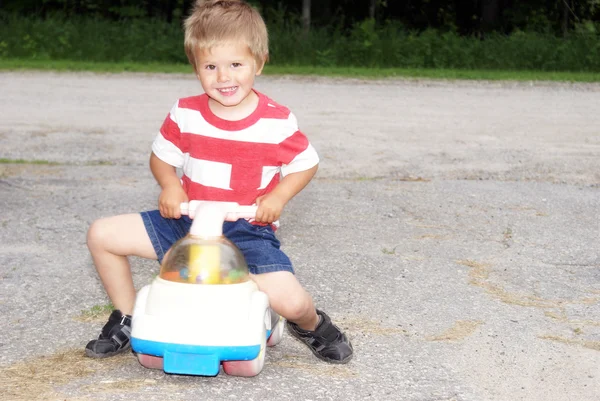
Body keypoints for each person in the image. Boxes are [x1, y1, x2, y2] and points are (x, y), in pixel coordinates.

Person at [85, 0, 353, 364]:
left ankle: (312, 325)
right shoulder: (186, 113)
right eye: (211, 66)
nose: (224, 77)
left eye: (236, 65)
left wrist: (278, 195)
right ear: (196, 68)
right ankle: (128, 316)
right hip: (185, 222)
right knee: (103, 234)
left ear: (258, 62)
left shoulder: (276, 121)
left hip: (247, 229)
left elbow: (306, 163)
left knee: (292, 301)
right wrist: (170, 185)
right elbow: (162, 157)